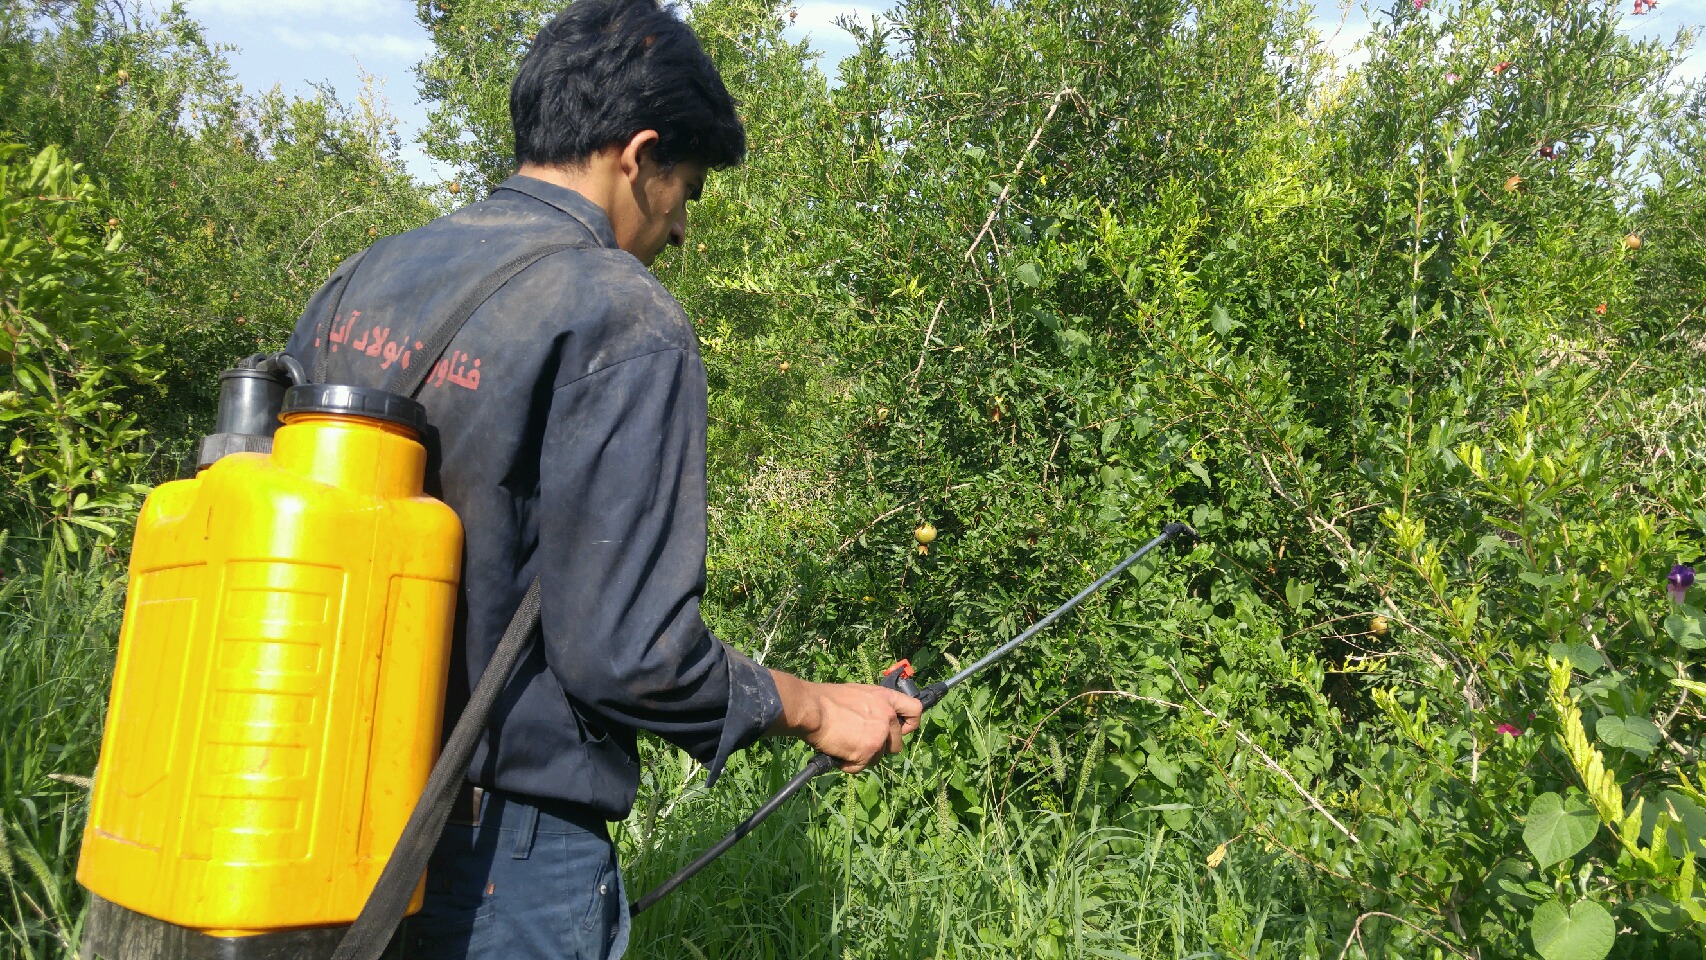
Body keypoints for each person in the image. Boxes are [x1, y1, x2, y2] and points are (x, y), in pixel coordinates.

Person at [282, 1, 921, 957]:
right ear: (639, 154)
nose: (678, 233)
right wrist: (821, 706)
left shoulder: (365, 278)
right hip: (496, 855)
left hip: (307, 808)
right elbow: (631, 656)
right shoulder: (624, 316)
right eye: (687, 192)